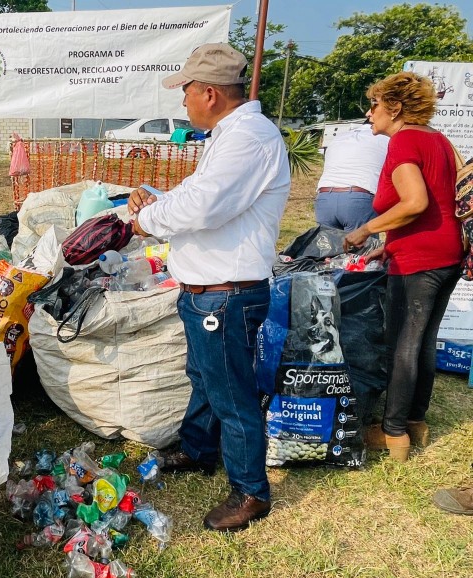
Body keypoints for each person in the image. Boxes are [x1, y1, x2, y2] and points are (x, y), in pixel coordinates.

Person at [128, 43, 291, 532]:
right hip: (207, 288)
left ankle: (250, 491)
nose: (183, 103)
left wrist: (145, 220)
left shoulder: (249, 137)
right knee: (204, 375)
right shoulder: (229, 135)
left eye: (186, 93)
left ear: (210, 93)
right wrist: (156, 199)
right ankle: (200, 450)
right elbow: (202, 197)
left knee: (232, 394)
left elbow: (203, 207)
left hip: (227, 292)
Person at [343, 72, 464, 461]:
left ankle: (393, 433)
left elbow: (415, 203)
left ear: (394, 108)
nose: (369, 112)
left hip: (421, 260)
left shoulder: (405, 140)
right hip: (446, 255)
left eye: (375, 104)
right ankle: (415, 421)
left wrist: (367, 230)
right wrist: (387, 246)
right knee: (424, 341)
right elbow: (442, 199)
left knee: (402, 346)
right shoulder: (437, 139)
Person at [314, 123, 389, 231]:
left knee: (328, 246)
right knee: (361, 246)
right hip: (358, 199)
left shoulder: (340, 138)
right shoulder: (385, 138)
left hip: (324, 198)